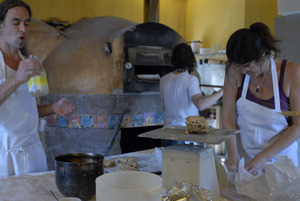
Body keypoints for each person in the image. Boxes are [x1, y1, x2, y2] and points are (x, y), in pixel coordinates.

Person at [0, 0, 76, 177]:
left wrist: (53, 108)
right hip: (5, 157)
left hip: (32, 153)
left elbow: (24, 110)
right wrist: (17, 79)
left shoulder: (27, 62)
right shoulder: (20, 70)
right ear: (1, 26)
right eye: (16, 22)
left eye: (27, 24)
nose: (23, 29)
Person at [223, 22, 300, 175]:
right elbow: (228, 116)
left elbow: (298, 126)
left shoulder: (291, 73)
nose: (243, 71)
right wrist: (232, 156)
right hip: (244, 161)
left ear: (261, 54)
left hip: (281, 164)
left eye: (247, 66)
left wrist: (264, 157)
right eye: (239, 67)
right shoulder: (235, 70)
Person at [160, 43, 223, 131]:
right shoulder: (190, 79)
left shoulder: (164, 80)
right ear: (191, 60)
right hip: (186, 132)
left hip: (167, 130)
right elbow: (201, 105)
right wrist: (222, 91)